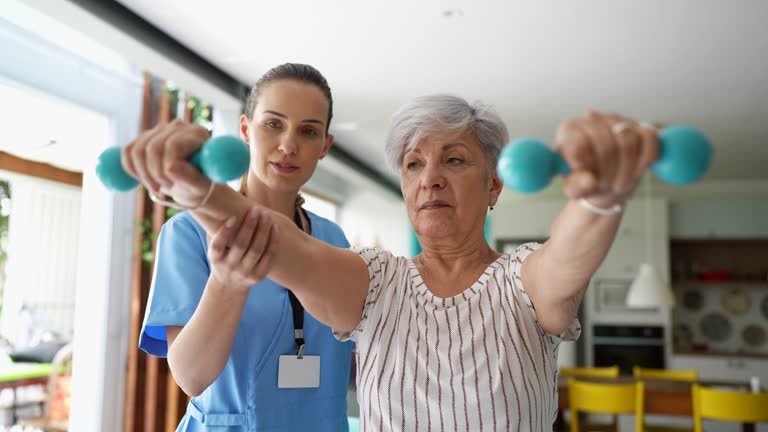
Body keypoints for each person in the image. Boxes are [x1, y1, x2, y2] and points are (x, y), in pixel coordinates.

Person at [124, 94, 658, 431]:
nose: (430, 178)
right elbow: (284, 246)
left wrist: (599, 198)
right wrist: (196, 193)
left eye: (454, 160)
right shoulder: (375, 280)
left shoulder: (523, 278)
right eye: (413, 164)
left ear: (493, 185)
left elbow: (567, 259)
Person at [134, 63, 355, 431]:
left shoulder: (334, 239)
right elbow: (191, 376)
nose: (288, 145)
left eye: (308, 131)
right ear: (244, 130)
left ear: (325, 147)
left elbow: (344, 361)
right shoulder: (189, 233)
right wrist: (227, 282)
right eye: (273, 124)